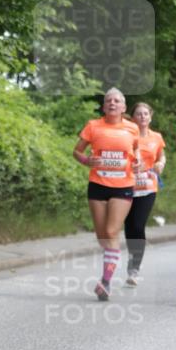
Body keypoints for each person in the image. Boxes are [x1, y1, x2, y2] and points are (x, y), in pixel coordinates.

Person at [73, 89, 140, 300]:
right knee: (103, 236)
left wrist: (136, 160)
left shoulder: (132, 128)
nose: (112, 103)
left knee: (112, 231)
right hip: (98, 184)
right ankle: (110, 260)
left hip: (123, 185)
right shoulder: (93, 126)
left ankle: (106, 282)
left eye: (117, 100)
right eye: (108, 100)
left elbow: (135, 150)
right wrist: (86, 161)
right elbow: (78, 151)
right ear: (104, 107)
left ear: (123, 107)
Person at [123, 102, 166, 285]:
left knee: (139, 225)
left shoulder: (156, 137)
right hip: (126, 186)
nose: (142, 117)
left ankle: (135, 267)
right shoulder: (125, 136)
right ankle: (133, 257)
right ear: (132, 117)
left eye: (145, 114)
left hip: (148, 187)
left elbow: (161, 155)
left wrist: (161, 164)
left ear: (150, 116)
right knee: (129, 226)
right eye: (138, 114)